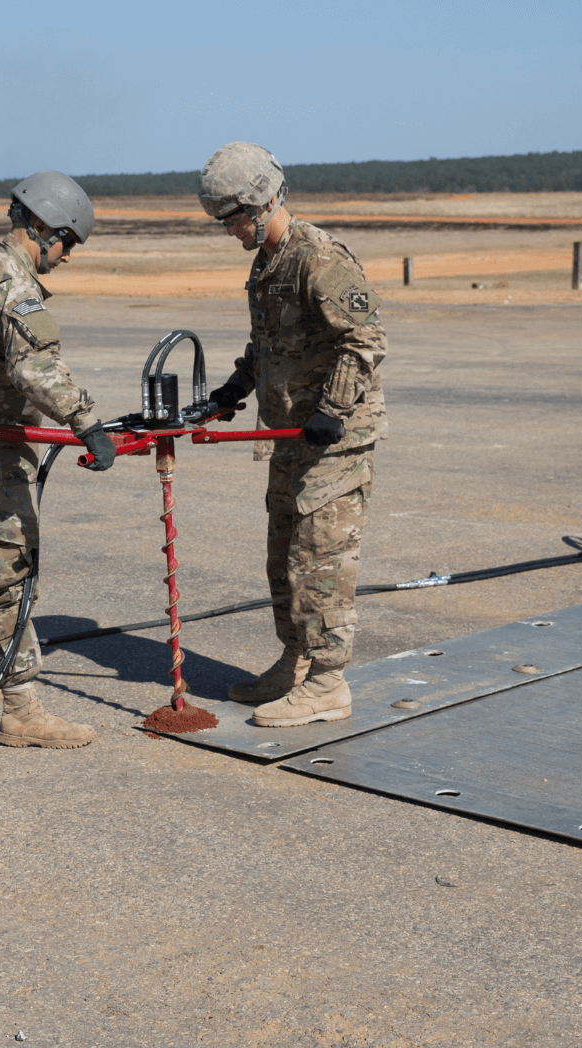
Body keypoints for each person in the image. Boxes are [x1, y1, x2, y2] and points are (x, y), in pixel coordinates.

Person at [197, 142, 387, 727]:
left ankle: (329, 682)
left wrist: (333, 409)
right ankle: (297, 662)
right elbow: (269, 345)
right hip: (288, 436)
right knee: (283, 557)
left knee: (319, 559)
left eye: (232, 219)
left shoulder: (317, 257)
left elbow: (366, 339)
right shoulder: (267, 263)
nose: (230, 232)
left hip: (332, 440)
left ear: (260, 203)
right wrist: (233, 390)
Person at [0, 171, 119, 748]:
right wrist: (87, 423)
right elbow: (34, 367)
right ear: (45, 229)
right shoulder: (16, 287)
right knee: (7, 577)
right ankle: (22, 708)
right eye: (68, 244)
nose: (66, 258)